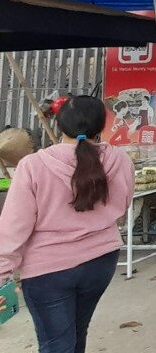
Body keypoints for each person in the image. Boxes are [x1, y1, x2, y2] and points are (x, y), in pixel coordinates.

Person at [0, 95, 135, 353]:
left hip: (48, 271)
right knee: (75, 332)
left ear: (59, 125)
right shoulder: (120, 160)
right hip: (100, 262)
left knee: (57, 343)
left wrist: (2, 272)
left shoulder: (33, 165)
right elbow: (122, 206)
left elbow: (13, 226)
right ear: (101, 127)